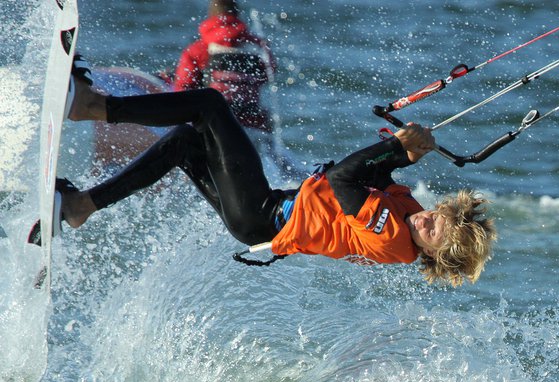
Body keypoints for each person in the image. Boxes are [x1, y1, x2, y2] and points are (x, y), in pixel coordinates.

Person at [60, 64, 497, 286]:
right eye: (437, 216)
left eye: (433, 232)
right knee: (184, 142)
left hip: (261, 215)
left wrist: (396, 148)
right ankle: (83, 206)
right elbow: (376, 178)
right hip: (265, 211)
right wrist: (407, 155)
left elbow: (346, 180)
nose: (426, 220)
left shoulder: (394, 241)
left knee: (210, 105)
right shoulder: (409, 215)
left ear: (434, 255)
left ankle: (94, 107)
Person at [172, 0, 275, 132]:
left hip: (215, 123)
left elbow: (183, 89)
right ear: (237, 15)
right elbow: (268, 75)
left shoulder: (198, 49)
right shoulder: (257, 45)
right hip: (253, 122)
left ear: (211, 15)